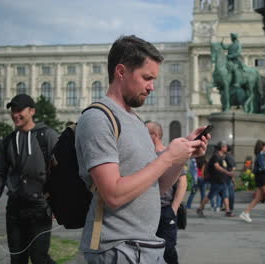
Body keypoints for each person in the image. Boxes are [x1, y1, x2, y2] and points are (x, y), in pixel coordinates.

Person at [74, 35, 208, 264]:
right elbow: (114, 195)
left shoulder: (135, 120)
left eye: (154, 79)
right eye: (147, 78)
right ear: (121, 71)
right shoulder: (98, 118)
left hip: (146, 246)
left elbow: (155, 188)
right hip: (117, 249)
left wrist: (180, 158)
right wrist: (166, 158)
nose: (152, 87)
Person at [0, 94, 59, 264]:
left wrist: (58, 204)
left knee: (39, 258)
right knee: (17, 259)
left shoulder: (47, 136)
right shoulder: (8, 141)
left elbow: (61, 172)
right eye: (12, 111)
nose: (15, 114)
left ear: (32, 111)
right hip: (15, 209)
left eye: (19, 110)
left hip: (40, 207)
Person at [146, 121, 187, 264]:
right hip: (147, 211)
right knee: (148, 250)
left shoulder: (170, 154)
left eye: (146, 133)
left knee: (168, 249)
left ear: (154, 135)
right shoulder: (145, 155)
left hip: (165, 209)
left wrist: (174, 208)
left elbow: (183, 182)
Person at [196, 141, 235, 217]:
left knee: (225, 195)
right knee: (210, 195)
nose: (226, 148)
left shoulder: (223, 156)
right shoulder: (216, 156)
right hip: (216, 180)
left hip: (222, 180)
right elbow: (216, 166)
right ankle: (200, 208)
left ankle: (227, 211)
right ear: (222, 147)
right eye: (225, 147)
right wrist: (227, 172)